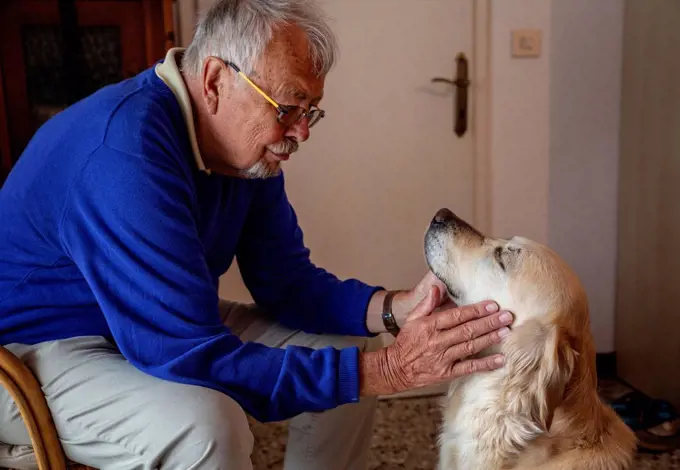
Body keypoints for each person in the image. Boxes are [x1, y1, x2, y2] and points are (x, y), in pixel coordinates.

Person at [0, 0, 513, 468]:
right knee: (206, 425)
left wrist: (394, 308)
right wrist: (391, 371)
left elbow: (285, 281)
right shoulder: (125, 154)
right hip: (39, 342)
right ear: (216, 80)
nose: (302, 131)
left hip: (153, 318)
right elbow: (186, 355)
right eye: (287, 107)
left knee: (348, 342)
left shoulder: (244, 155)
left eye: (310, 110)